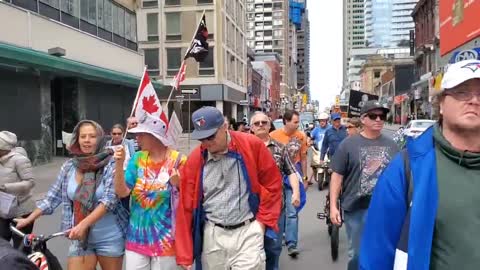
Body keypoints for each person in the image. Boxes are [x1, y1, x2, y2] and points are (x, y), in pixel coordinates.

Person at [360, 59, 480, 269]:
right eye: (462, 92)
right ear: (441, 103)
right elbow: (376, 255)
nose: (474, 100)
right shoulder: (406, 169)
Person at [175, 106, 282, 270]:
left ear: (224, 127)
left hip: (247, 231)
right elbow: (186, 206)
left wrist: (261, 224)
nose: (206, 143)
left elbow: (273, 185)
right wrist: (185, 254)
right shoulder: (196, 159)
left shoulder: (251, 145)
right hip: (213, 235)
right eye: (202, 139)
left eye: (210, 137)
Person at [15, 120, 129, 270]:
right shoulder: (69, 166)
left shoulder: (112, 164)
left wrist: (82, 224)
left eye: (92, 136)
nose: (87, 140)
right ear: (77, 139)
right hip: (80, 238)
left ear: (100, 138)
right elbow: (51, 198)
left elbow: (108, 201)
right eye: (83, 136)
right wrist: (28, 219)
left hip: (109, 236)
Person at [329, 100, 399, 270]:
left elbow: (400, 177)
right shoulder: (348, 144)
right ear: (363, 119)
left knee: (385, 252)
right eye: (373, 116)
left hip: (385, 209)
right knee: (358, 254)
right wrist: (333, 206)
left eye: (382, 116)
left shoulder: (393, 145)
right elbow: (337, 176)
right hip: (356, 208)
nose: (378, 119)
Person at [113, 113, 186, 270]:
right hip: (136, 239)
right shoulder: (137, 159)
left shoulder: (179, 160)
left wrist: (179, 185)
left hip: (166, 241)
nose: (137, 139)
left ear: (154, 137)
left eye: (141, 135)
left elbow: (191, 199)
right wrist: (119, 164)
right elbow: (122, 192)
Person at [250, 112, 301, 270]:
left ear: (269, 125)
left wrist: (296, 192)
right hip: (250, 209)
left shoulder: (280, 147)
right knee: (251, 251)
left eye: (264, 122)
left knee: (273, 248)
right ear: (251, 127)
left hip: (275, 207)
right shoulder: (243, 148)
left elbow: (291, 171)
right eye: (257, 123)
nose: (260, 125)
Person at [269, 110, 308, 257]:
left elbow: (303, 158)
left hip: (293, 176)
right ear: (286, 121)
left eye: (298, 122)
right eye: (295, 122)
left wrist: (304, 178)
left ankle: (292, 244)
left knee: (292, 211)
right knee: (279, 211)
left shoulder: (301, 136)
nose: (298, 125)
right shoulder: (273, 136)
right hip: (276, 177)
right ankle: (276, 240)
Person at [0, 131, 35, 253]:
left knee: (21, 247)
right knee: (2, 243)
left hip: (22, 210)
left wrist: (6, 187)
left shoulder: (20, 160)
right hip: (3, 209)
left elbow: (30, 182)